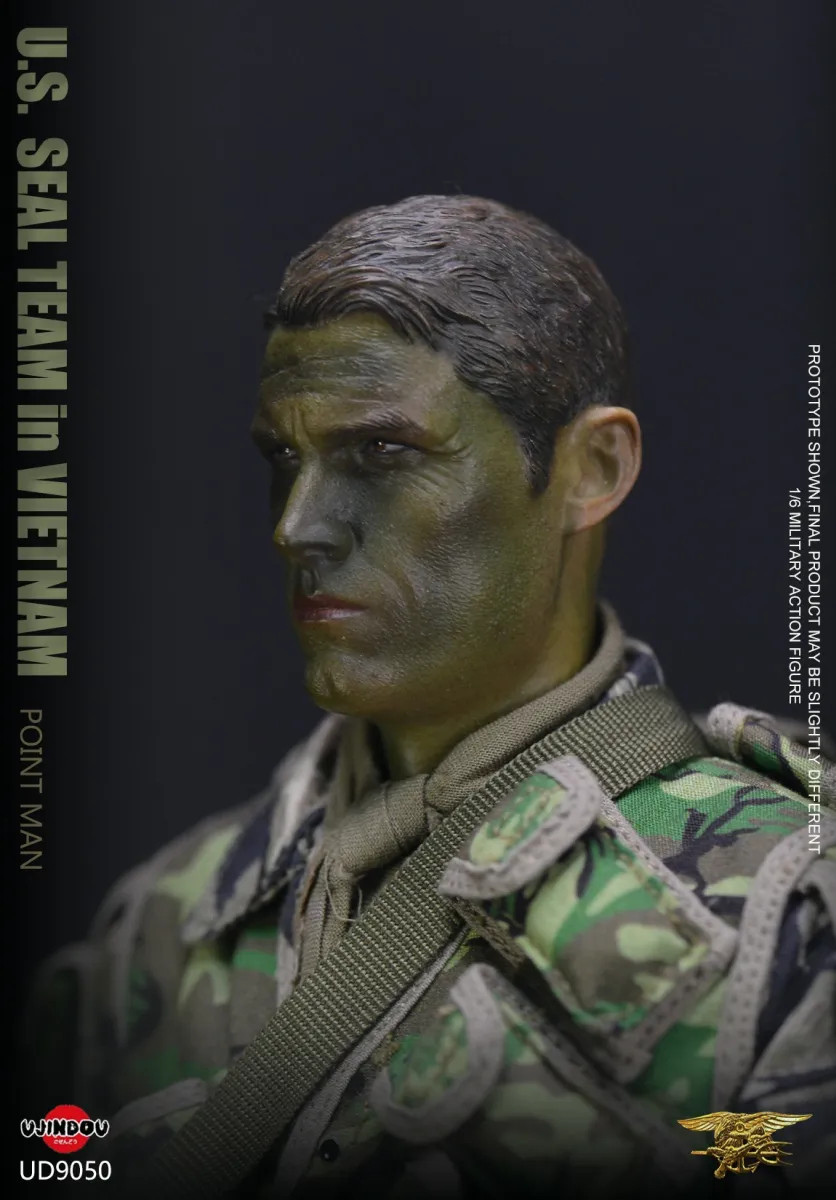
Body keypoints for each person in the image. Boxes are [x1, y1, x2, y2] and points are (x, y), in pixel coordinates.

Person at [30, 196, 836, 1199]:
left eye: (382, 452)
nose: (297, 526)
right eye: (285, 458)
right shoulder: (159, 928)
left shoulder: (780, 914)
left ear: (591, 469)